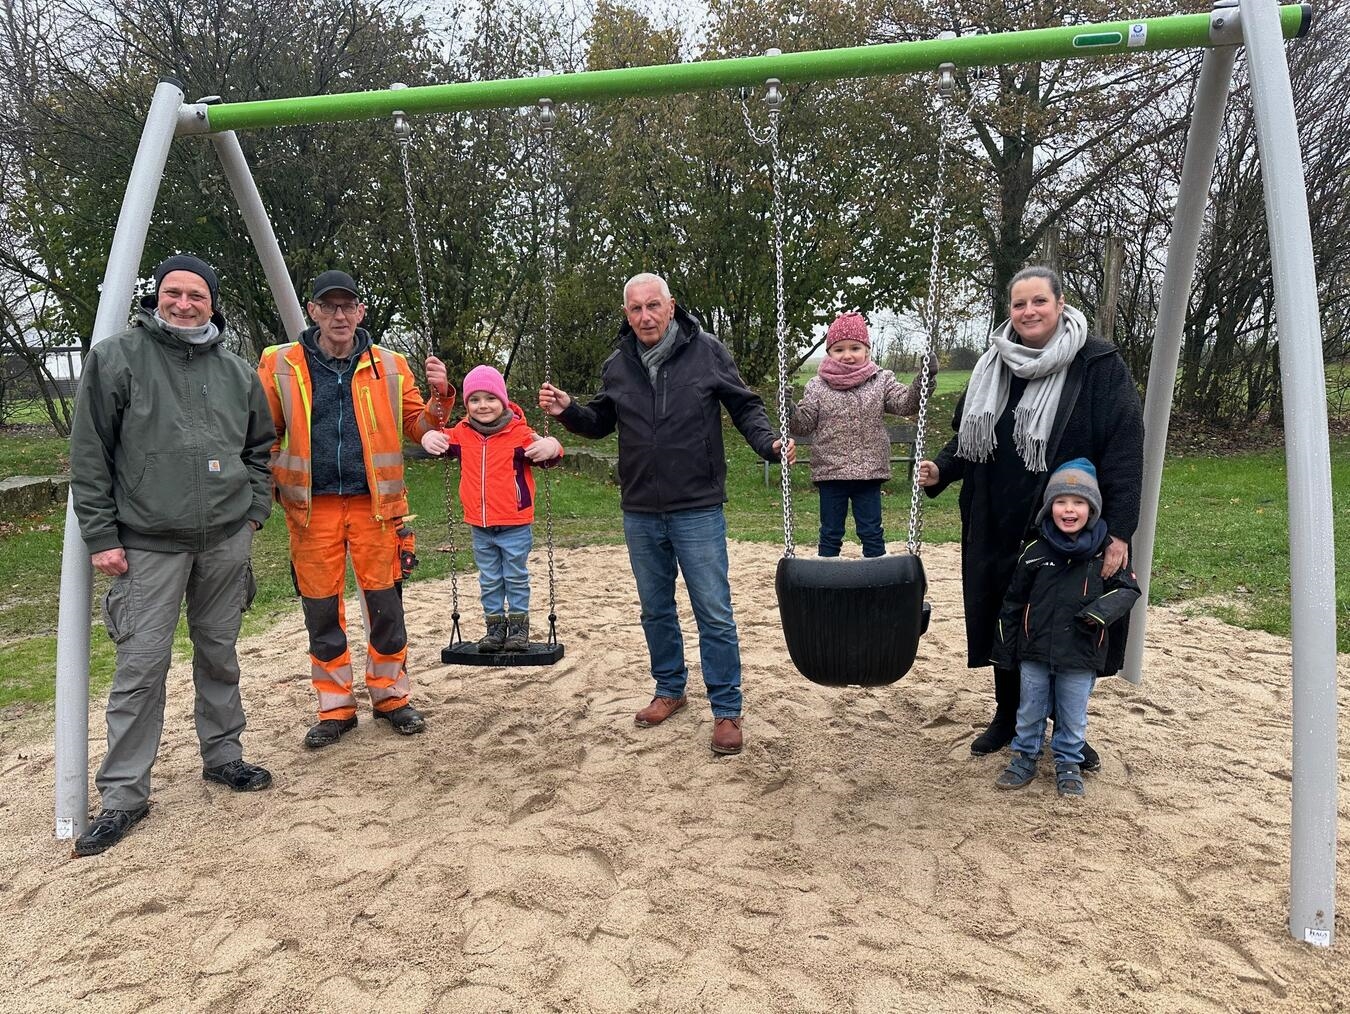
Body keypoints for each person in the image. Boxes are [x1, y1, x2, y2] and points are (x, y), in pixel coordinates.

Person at [68, 254, 276, 857]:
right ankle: (124, 794)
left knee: (220, 654)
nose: (185, 304)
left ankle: (224, 755)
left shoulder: (238, 372)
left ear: (213, 303)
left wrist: (254, 512)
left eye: (197, 296)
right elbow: (90, 455)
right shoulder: (117, 358)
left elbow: (260, 449)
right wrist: (102, 537)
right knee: (140, 667)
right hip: (146, 544)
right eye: (174, 293)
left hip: (224, 541)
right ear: (156, 296)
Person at [538, 272, 794, 755]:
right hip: (639, 507)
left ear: (671, 306)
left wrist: (769, 444)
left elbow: (745, 406)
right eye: (635, 309)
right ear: (626, 314)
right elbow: (600, 422)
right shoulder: (618, 364)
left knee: (713, 612)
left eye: (652, 306)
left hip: (696, 504)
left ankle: (726, 709)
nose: (645, 317)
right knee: (655, 609)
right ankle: (670, 689)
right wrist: (570, 409)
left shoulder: (707, 352)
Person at [916, 264, 1143, 768]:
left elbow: (1126, 451)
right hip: (995, 516)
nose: (1029, 312)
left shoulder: (1097, 364)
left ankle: (1067, 729)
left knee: (1063, 627)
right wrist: (941, 470)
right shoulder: (993, 364)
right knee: (1006, 617)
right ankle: (1007, 714)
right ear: (1009, 312)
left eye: (1039, 301)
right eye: (1019, 304)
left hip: (1065, 525)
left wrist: (1121, 531)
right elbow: (970, 437)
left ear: (1060, 305)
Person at [257, 270, 452, 749]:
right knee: (321, 610)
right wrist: (269, 483)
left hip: (376, 506)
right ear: (313, 310)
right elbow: (261, 431)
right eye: (330, 306)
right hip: (311, 507)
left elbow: (416, 423)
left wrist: (440, 398)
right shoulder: (280, 363)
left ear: (361, 312)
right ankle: (335, 707)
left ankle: (390, 697)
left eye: (348, 306)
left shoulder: (390, 364)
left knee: (385, 607)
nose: (339, 315)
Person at [989, 459, 1140, 796]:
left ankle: (1068, 762)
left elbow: (1128, 589)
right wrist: (1005, 648)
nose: (1069, 509)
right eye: (1060, 501)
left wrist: (1099, 614)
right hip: (1035, 650)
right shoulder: (1034, 552)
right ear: (1049, 508)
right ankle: (1024, 757)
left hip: (1080, 651)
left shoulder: (1105, 554)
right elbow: (1013, 603)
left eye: (1078, 502)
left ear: (1092, 509)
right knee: (1029, 710)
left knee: (1073, 714)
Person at [420, 364, 563, 651]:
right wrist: (428, 437)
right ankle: (495, 629)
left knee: (515, 576)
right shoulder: (462, 433)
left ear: (503, 400)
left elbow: (549, 454)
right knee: (489, 578)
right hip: (480, 524)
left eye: (490, 398)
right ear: (467, 404)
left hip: (514, 522)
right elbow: (439, 438)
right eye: (475, 399)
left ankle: (518, 630)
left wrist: (552, 446)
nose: (482, 405)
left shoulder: (519, 433)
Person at [789, 311, 936, 557]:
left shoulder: (881, 380)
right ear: (829, 353)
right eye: (839, 349)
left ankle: (876, 579)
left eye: (855, 348)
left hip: (869, 472)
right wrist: (788, 408)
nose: (847, 355)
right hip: (830, 471)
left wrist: (925, 378)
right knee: (830, 531)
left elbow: (906, 404)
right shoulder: (817, 386)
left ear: (867, 351)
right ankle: (827, 580)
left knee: (871, 530)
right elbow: (803, 425)